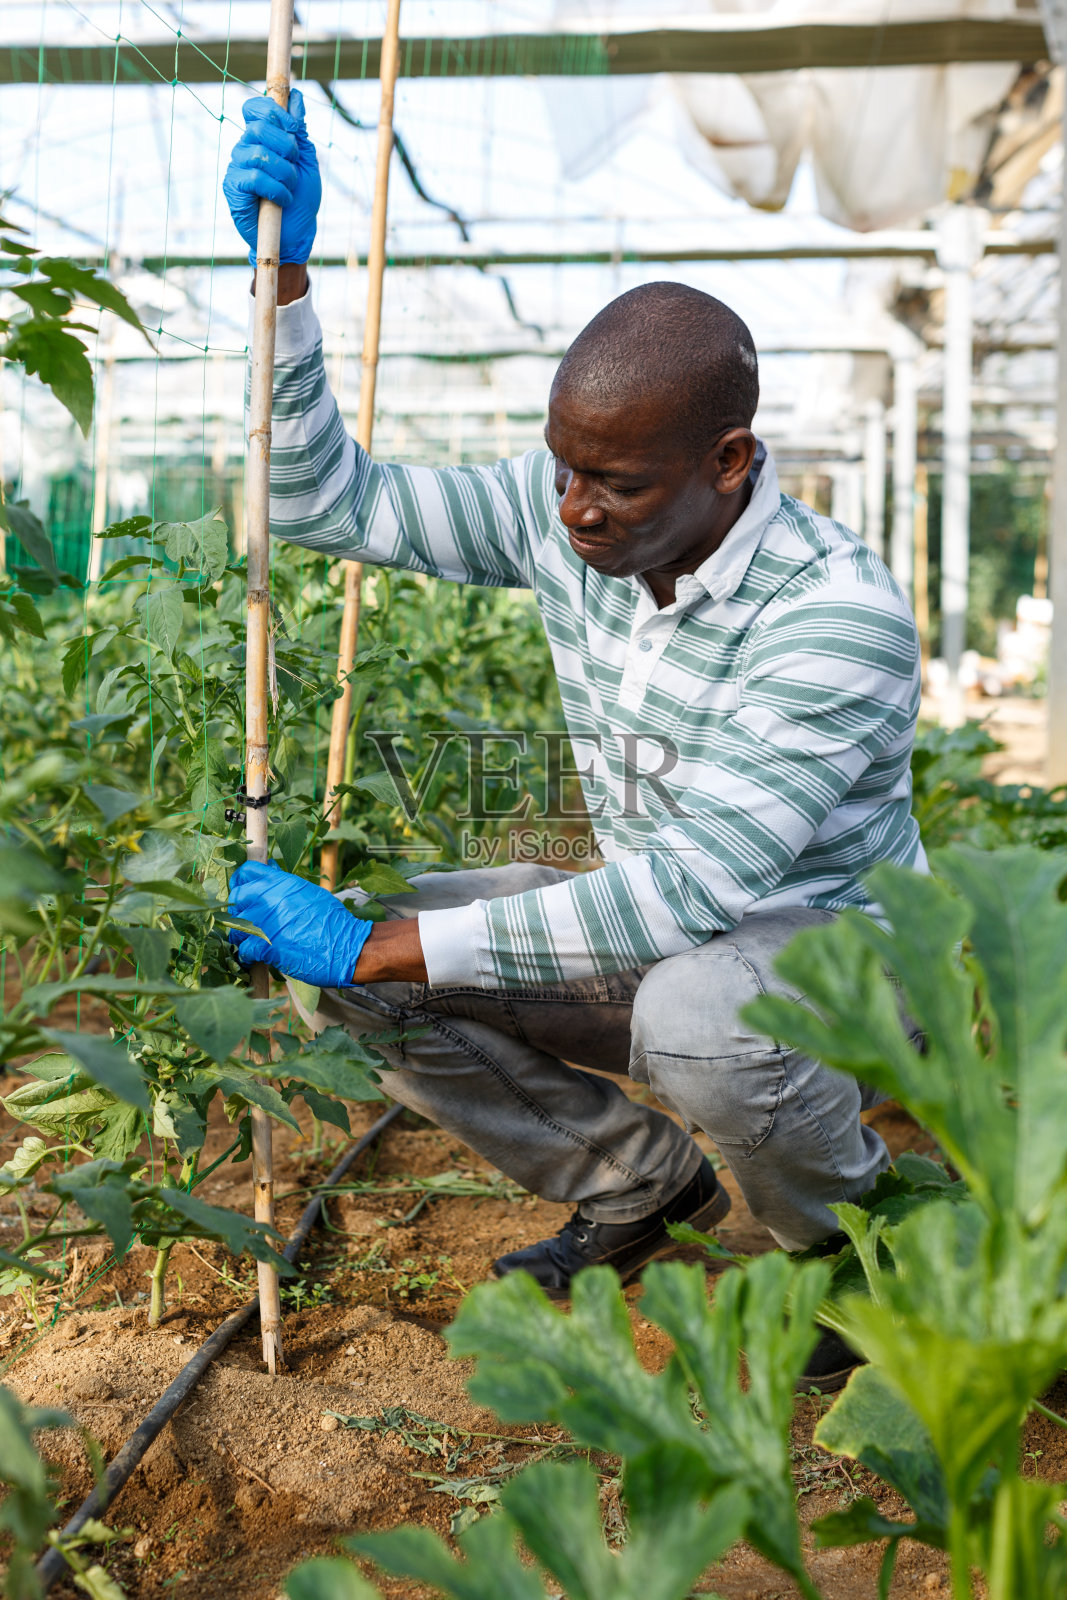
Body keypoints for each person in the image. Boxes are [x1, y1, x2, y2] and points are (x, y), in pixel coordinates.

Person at [222, 91, 925, 1389]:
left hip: (838, 971)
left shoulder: (836, 615)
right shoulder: (567, 518)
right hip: (655, 943)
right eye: (561, 471)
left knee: (703, 1014)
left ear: (728, 461)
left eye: (617, 483)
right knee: (376, 959)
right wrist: (286, 284)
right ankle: (634, 1183)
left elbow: (691, 891)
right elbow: (331, 501)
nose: (576, 512)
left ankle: (852, 1243)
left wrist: (382, 936)